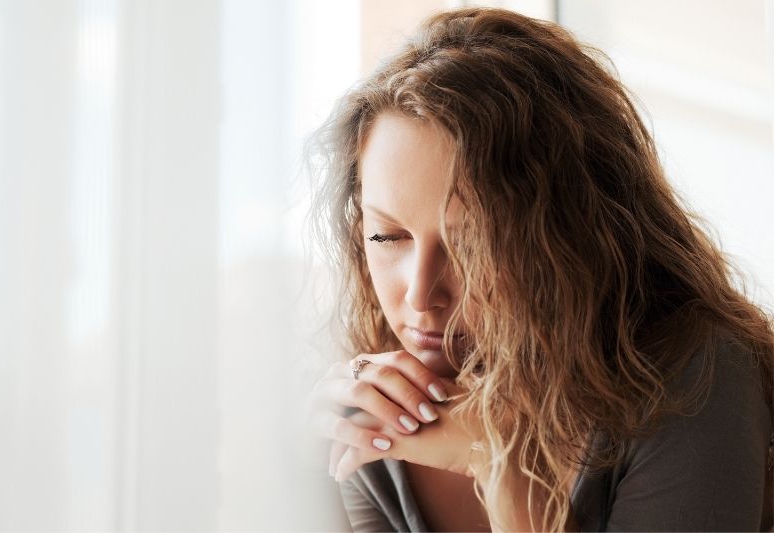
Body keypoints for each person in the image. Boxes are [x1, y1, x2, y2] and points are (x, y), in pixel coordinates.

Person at [303, 6, 774, 531]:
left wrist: (493, 462)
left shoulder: (692, 379)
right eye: (386, 236)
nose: (419, 296)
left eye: (475, 244)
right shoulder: (374, 405)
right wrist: (306, 477)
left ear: (571, 234)